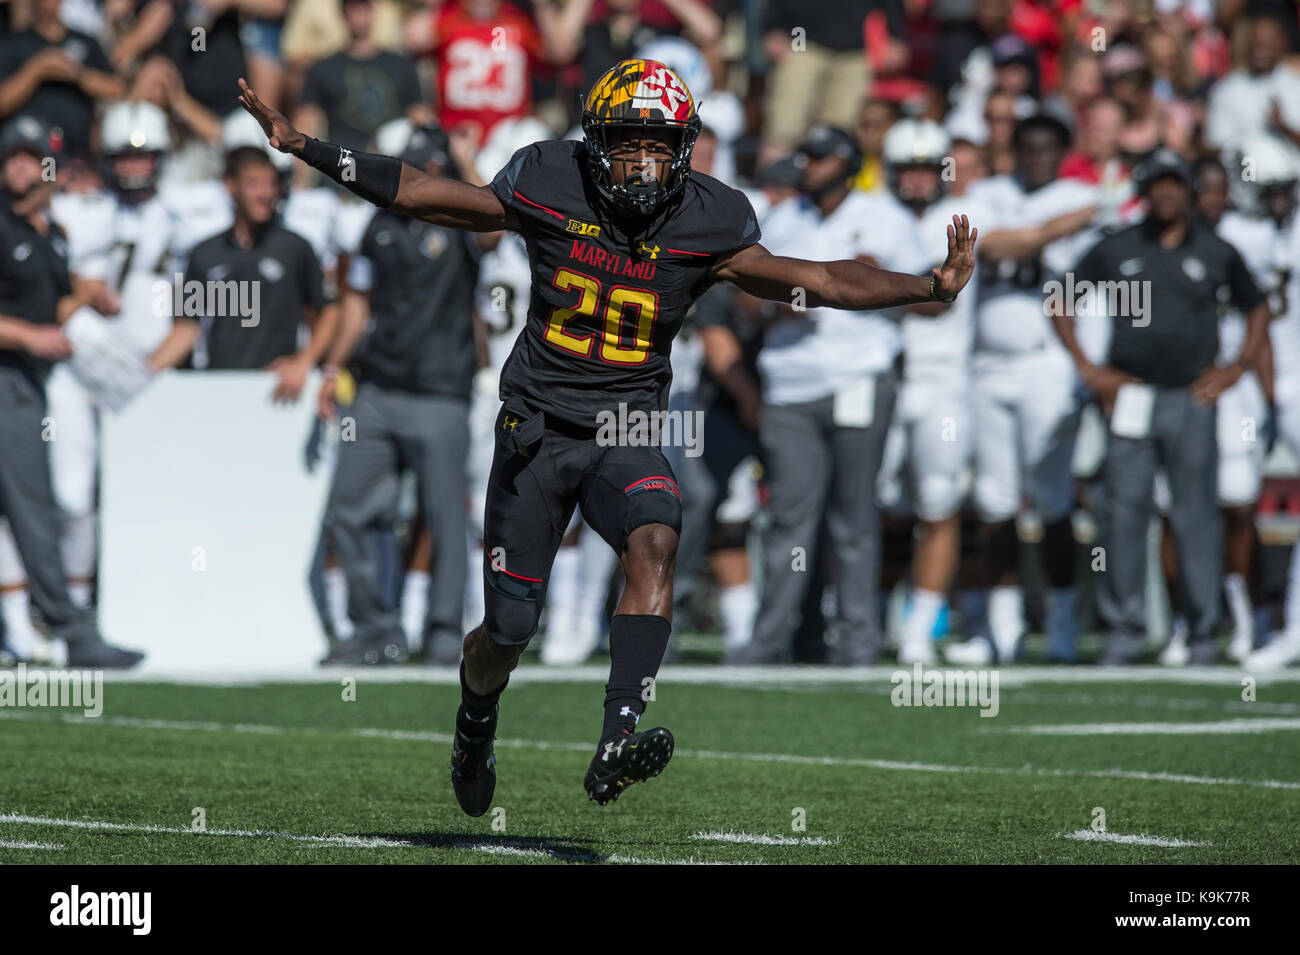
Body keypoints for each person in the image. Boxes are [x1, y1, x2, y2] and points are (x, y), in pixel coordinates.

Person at [235, 57, 977, 812]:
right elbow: (426, 194)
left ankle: (617, 735)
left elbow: (816, 279)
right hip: (537, 426)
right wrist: (307, 147)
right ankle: (474, 721)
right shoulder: (550, 181)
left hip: (625, 425)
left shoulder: (709, 219)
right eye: (629, 142)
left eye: (661, 145)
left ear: (685, 147)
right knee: (509, 629)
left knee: (657, 534)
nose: (645, 160)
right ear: (595, 141)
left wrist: (923, 285)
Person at [1051, 150, 1270, 665]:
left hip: (1192, 394)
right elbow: (1060, 297)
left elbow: (1256, 305)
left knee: (1195, 515)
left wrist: (1236, 366)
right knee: (1122, 515)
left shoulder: (1216, 250)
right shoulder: (1117, 247)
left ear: (1190, 190)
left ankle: (1200, 633)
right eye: (1158, 184)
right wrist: (1088, 368)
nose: (1168, 194)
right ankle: (1124, 631)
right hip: (1131, 395)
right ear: (1144, 191)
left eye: (1177, 184)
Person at [732, 125, 932, 667]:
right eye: (807, 155)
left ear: (847, 162)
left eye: (821, 157)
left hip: (859, 376)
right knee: (788, 518)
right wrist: (777, 303)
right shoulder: (782, 217)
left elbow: (933, 299)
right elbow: (744, 299)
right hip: (790, 383)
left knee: (853, 516)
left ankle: (858, 637)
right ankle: (773, 637)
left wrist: (875, 280)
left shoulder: (885, 216)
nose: (810, 165)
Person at [315, 125, 488, 667]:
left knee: (444, 518)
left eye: (433, 169)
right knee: (350, 507)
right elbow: (357, 305)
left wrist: (467, 160)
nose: (422, 178)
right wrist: (331, 367)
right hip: (378, 389)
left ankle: (442, 631)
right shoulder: (376, 225)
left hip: (442, 392)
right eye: (415, 169)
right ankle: (376, 629)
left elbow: (495, 229)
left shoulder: (463, 224)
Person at [945, 114, 1099, 666]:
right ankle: (999, 629)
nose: (1036, 158)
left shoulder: (1082, 193)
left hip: (1047, 364)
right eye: (1026, 148)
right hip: (988, 364)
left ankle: (1061, 625)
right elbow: (998, 247)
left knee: (1054, 498)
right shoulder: (991, 194)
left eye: (1047, 148)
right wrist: (1068, 223)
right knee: (994, 500)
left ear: (1063, 152)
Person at [0, 114, 142, 668]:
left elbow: (52, 309)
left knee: (39, 507)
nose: (17, 165)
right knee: (32, 509)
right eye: (10, 156)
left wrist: (88, 298)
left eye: (29, 156)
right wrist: (29, 335)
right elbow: (35, 324)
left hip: (27, 385)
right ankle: (72, 631)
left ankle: (64, 626)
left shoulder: (51, 234)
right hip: (8, 380)